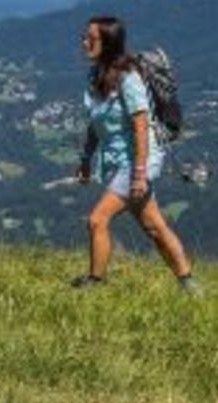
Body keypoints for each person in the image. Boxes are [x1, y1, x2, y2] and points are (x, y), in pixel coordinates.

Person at [72, 15, 199, 294]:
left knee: (97, 220)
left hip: (137, 162)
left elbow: (142, 127)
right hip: (121, 163)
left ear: (108, 43)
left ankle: (94, 283)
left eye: (90, 39)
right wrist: (85, 160)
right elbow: (96, 123)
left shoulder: (128, 78)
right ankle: (189, 284)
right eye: (84, 37)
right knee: (154, 226)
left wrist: (139, 174)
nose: (84, 43)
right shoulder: (96, 76)